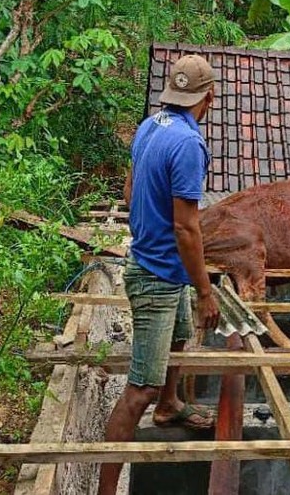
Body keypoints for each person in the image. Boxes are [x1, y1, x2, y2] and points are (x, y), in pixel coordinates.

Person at [98, 55, 221, 495]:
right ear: (208, 97)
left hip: (159, 266)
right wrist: (206, 290)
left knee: (179, 337)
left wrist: (146, 232)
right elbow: (186, 226)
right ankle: (107, 489)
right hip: (157, 277)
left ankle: (170, 406)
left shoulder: (151, 126)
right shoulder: (189, 144)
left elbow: (130, 191)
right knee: (139, 388)